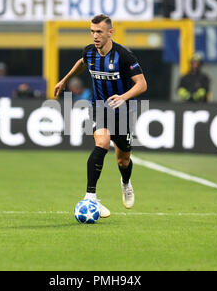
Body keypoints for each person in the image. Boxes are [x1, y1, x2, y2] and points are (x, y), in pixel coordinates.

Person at [54, 14, 147, 218]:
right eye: (92, 31)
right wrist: (63, 80)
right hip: (98, 107)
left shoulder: (124, 56)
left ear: (110, 32)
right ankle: (91, 196)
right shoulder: (89, 52)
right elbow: (81, 62)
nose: (95, 36)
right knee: (102, 142)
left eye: (99, 32)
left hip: (122, 111)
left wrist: (123, 97)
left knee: (123, 160)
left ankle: (125, 183)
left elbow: (142, 84)